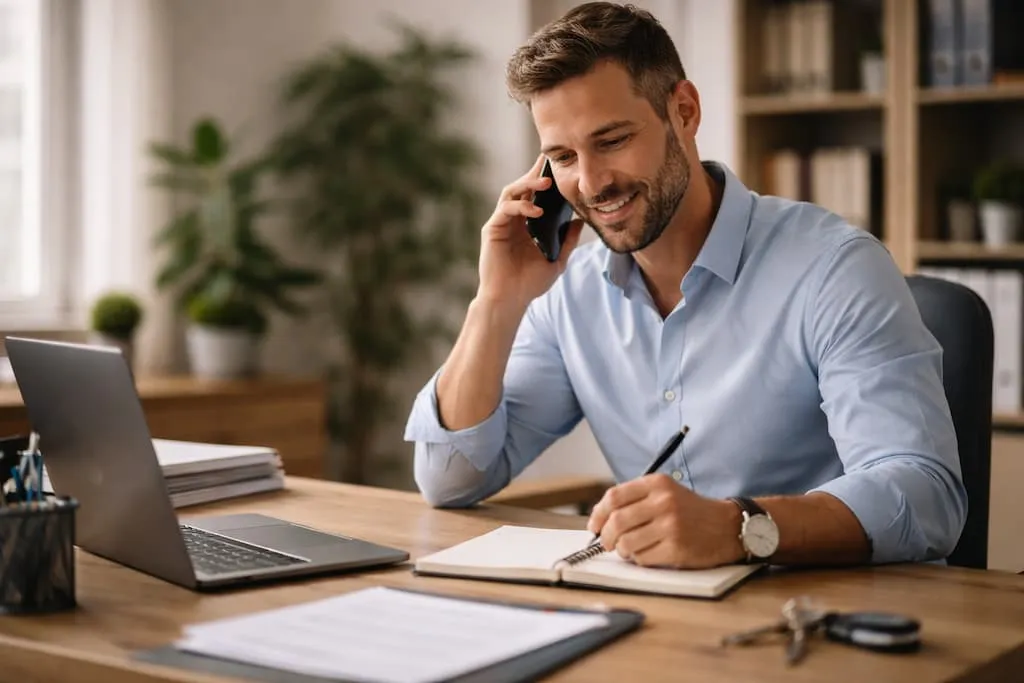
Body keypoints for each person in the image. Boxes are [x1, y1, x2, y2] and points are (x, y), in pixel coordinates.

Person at [404, 1, 966, 569]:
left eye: (613, 139)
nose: (592, 182)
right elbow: (449, 478)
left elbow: (925, 496)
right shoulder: (569, 296)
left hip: (830, 617)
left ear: (685, 112)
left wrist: (738, 528)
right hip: (667, 624)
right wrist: (496, 300)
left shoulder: (834, 268)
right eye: (563, 156)